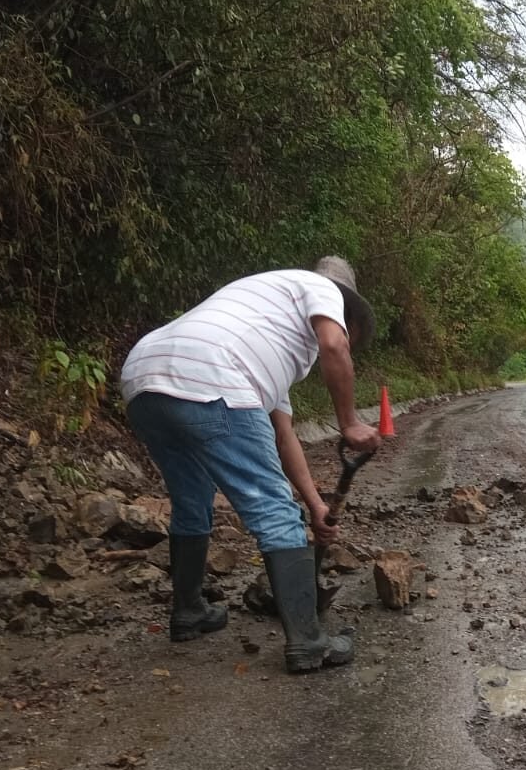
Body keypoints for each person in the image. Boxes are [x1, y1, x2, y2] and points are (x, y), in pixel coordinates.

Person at [119, 257, 382, 673]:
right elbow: (334, 345)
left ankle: (189, 611)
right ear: (345, 309)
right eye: (350, 329)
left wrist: (316, 505)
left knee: (191, 500)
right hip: (212, 374)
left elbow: (283, 436)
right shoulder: (321, 289)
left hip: (143, 378)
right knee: (275, 511)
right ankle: (308, 642)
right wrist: (349, 422)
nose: (346, 336)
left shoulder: (267, 329)